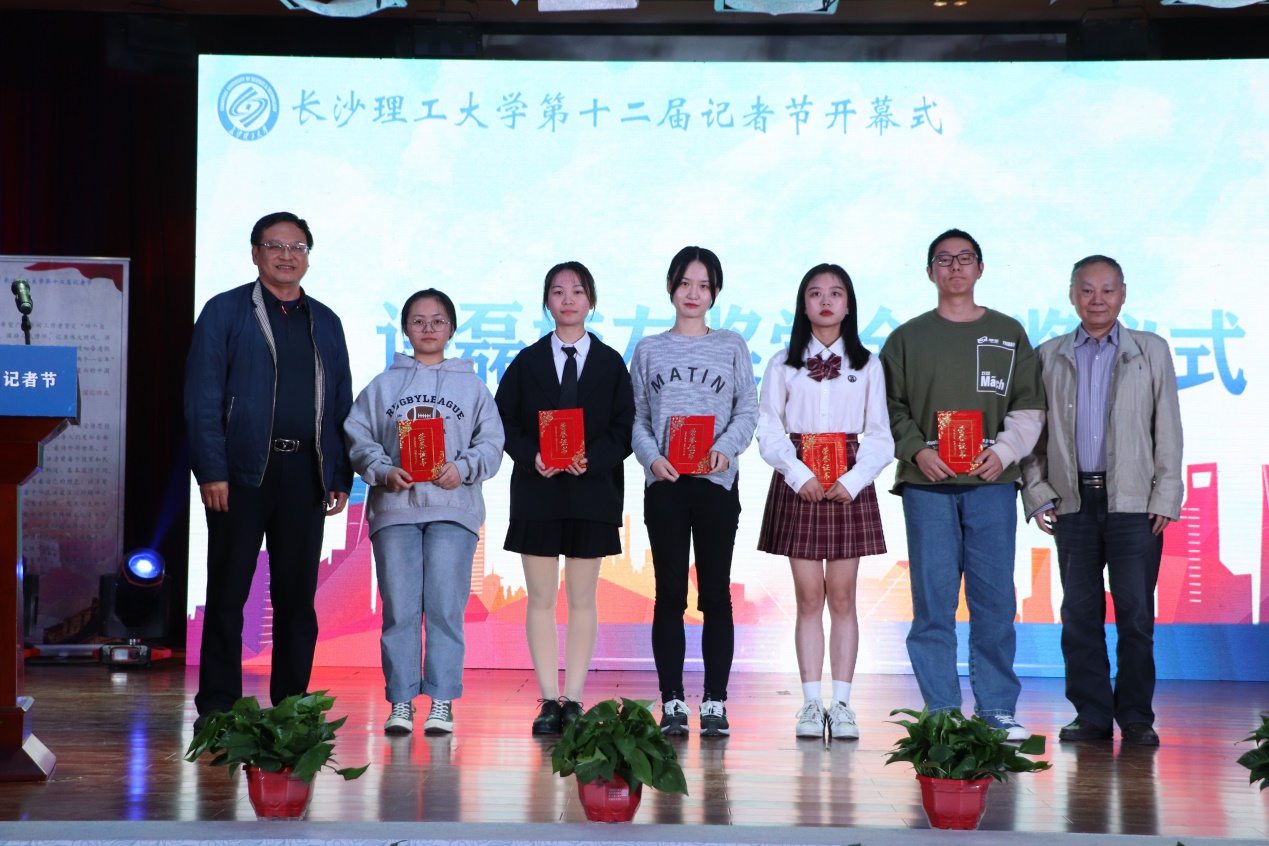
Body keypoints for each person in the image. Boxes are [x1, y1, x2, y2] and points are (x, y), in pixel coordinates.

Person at [185, 211, 353, 730]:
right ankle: (218, 707)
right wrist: (211, 470)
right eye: (275, 245)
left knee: (297, 599)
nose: (286, 255)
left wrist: (339, 474)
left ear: (308, 256)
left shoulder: (325, 321)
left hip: (305, 473)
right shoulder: (225, 311)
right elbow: (202, 396)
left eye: (297, 247)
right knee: (229, 594)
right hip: (239, 476)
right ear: (255, 253)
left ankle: (292, 708)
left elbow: (341, 402)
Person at [879, 228, 1046, 741]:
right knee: (933, 603)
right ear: (930, 271)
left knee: (994, 602)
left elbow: (1028, 405)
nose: (955, 267)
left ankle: (996, 709)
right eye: (944, 259)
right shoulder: (906, 338)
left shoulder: (1008, 332)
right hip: (927, 484)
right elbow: (887, 408)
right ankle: (942, 710)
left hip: (991, 484)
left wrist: (1003, 452)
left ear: (980, 268)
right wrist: (918, 450)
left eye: (965, 258)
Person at [1020, 255, 1182, 747]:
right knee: (1079, 614)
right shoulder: (1048, 355)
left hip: (1135, 503)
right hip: (1074, 502)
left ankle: (1136, 716)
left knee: (1136, 615)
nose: (1097, 299)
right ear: (1072, 295)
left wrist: (1166, 495)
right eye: (1087, 290)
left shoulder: (1150, 350)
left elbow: (1167, 427)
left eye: (1107, 289)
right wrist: (1038, 492)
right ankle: (1090, 714)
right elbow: (1032, 434)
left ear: (1123, 293)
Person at [343, 288, 504, 735]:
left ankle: (442, 700)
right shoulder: (382, 386)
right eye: (418, 320)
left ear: (451, 328)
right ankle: (400, 700)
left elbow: (492, 443)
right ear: (405, 329)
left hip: (453, 510)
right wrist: (383, 470)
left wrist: (463, 468)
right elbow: (357, 436)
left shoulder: (472, 387)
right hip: (395, 511)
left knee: (445, 608)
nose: (428, 328)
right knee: (399, 609)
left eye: (437, 321)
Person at [494, 261, 635, 735]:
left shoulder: (611, 363)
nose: (568, 299)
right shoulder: (527, 361)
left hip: (592, 492)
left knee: (582, 598)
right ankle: (548, 700)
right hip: (538, 491)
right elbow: (502, 420)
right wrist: (531, 455)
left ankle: (574, 698)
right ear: (546, 302)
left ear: (591, 301)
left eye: (577, 291)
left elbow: (625, 427)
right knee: (539, 598)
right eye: (558, 291)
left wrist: (592, 459)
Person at [756, 264, 893, 741]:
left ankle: (843, 705)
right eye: (816, 293)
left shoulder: (868, 364)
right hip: (800, 481)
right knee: (809, 597)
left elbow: (880, 436)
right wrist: (799, 475)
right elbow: (769, 429)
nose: (826, 301)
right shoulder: (782, 363)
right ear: (804, 304)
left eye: (836, 293)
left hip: (848, 483)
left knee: (843, 596)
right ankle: (811, 704)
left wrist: (853, 480)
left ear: (849, 304)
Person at [630, 246, 759, 737]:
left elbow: (748, 409)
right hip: (666, 485)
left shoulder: (731, 345)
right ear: (671, 286)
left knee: (716, 595)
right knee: (668, 595)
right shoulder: (649, 349)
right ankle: (673, 702)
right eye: (685, 283)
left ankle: (716, 702)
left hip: (716, 484)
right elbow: (638, 418)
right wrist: (652, 458)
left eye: (704, 286)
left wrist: (725, 448)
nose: (693, 293)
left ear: (715, 293)